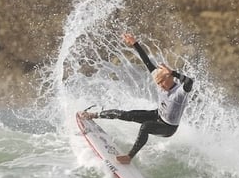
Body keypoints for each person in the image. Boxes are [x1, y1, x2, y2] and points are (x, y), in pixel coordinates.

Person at [83, 33, 194, 164]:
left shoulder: (179, 93)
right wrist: (134, 43)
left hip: (168, 127)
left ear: (169, 78)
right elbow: (147, 62)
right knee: (125, 114)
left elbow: (190, 82)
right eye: (158, 83)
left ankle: (129, 157)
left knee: (145, 127)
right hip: (157, 114)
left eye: (162, 83)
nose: (160, 86)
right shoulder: (160, 80)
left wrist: (174, 72)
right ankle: (94, 115)